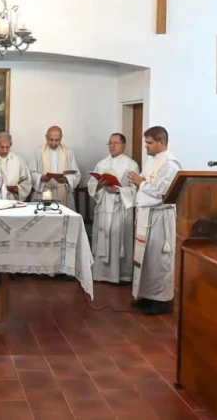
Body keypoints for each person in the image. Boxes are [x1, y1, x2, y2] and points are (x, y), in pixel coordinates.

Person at [127, 126, 181, 315]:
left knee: (159, 259)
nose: (146, 147)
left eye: (149, 143)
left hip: (159, 217)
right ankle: (147, 295)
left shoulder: (170, 165)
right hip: (147, 215)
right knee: (146, 258)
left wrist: (140, 183)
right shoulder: (152, 161)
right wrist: (138, 180)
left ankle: (162, 301)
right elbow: (147, 182)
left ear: (161, 142)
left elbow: (161, 192)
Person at [87, 133, 139, 284]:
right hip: (104, 207)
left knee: (117, 239)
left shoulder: (132, 165)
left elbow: (136, 189)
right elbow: (91, 185)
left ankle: (120, 275)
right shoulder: (101, 164)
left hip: (120, 208)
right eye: (110, 143)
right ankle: (101, 274)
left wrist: (119, 190)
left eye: (116, 143)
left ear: (124, 145)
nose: (112, 146)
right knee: (103, 237)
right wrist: (99, 185)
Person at [31, 126, 81, 206]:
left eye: (57, 140)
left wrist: (65, 179)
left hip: (62, 191)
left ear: (61, 138)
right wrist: (41, 177)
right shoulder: (39, 152)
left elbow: (76, 175)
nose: (54, 143)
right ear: (46, 137)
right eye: (51, 140)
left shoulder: (68, 153)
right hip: (44, 191)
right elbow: (31, 173)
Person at [0, 132, 31, 201]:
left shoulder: (18, 160)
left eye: (7, 147)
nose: (4, 150)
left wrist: (17, 189)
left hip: (13, 200)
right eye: (2, 147)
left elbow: (26, 181)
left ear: (11, 145)